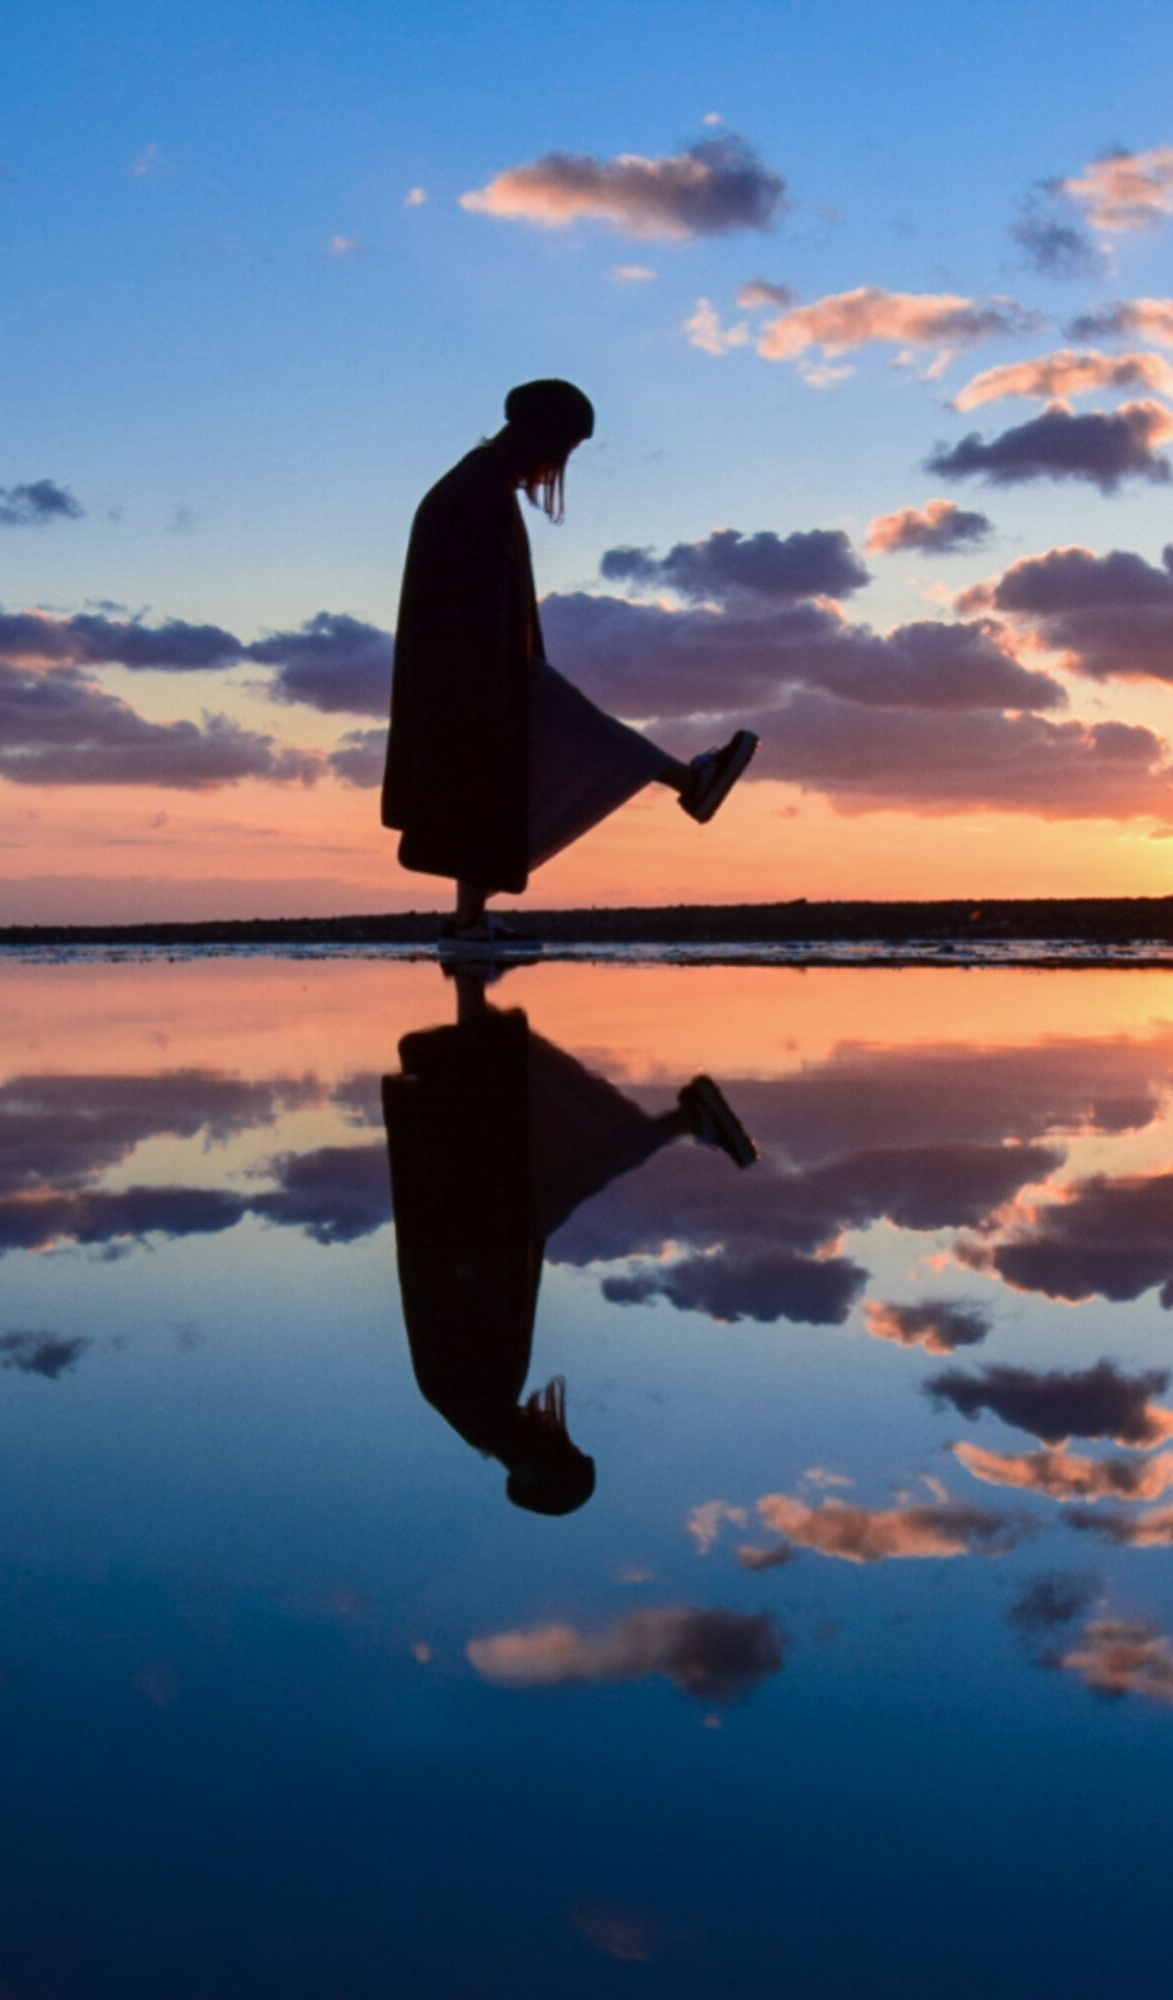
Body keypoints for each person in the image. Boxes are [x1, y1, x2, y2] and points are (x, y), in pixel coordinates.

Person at [384, 379, 760, 952]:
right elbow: (470, 601)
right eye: (567, 449)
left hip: (476, 671)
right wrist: (495, 677)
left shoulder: (480, 484)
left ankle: (467, 921)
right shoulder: (478, 491)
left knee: (488, 791)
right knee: (569, 737)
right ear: (544, 437)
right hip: (478, 673)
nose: (561, 464)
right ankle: (692, 783)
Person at [382, 964, 757, 1515]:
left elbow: (456, 1291)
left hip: (474, 1217)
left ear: (545, 1459)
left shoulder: (479, 1403)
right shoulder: (484, 1412)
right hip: (475, 1220)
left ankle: (685, 1119)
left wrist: (502, 1227)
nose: (564, 1430)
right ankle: (683, 1119)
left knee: (563, 1141)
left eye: (567, 1446)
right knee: (555, 1137)